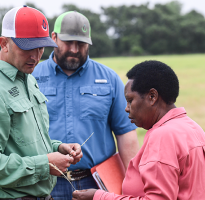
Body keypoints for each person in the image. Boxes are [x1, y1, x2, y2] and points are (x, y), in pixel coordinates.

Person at [0, 6, 83, 200]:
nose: (36, 57)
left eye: (41, 47)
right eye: (27, 47)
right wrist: (45, 164)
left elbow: (22, 143)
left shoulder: (26, 77)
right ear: (4, 43)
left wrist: (57, 148)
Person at [32, 11, 139, 199]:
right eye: (68, 42)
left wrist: (133, 183)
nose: (74, 49)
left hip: (98, 183)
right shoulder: (32, 78)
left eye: (81, 43)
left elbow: (125, 133)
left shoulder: (109, 79)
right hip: (45, 181)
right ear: (54, 38)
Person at [72, 60, 205, 200]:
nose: (126, 108)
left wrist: (100, 197)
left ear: (152, 97)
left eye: (130, 100)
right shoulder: (195, 129)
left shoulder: (163, 136)